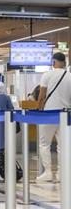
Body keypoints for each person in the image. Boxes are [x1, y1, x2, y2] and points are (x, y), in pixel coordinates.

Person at [37, 52, 71, 182]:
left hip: (49, 114)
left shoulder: (47, 75)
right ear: (64, 62)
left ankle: (48, 172)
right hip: (65, 114)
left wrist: (39, 110)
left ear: (54, 62)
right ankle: (62, 173)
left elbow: (42, 95)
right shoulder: (69, 76)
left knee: (44, 143)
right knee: (63, 145)